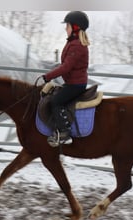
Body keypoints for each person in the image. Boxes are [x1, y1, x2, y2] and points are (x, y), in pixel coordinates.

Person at [42, 11, 90, 147]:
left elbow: (66, 67)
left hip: (76, 85)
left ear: (75, 27)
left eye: (67, 25)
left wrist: (48, 76)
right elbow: (65, 65)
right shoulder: (73, 43)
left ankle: (64, 132)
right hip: (72, 83)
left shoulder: (77, 45)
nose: (65, 28)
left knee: (56, 101)